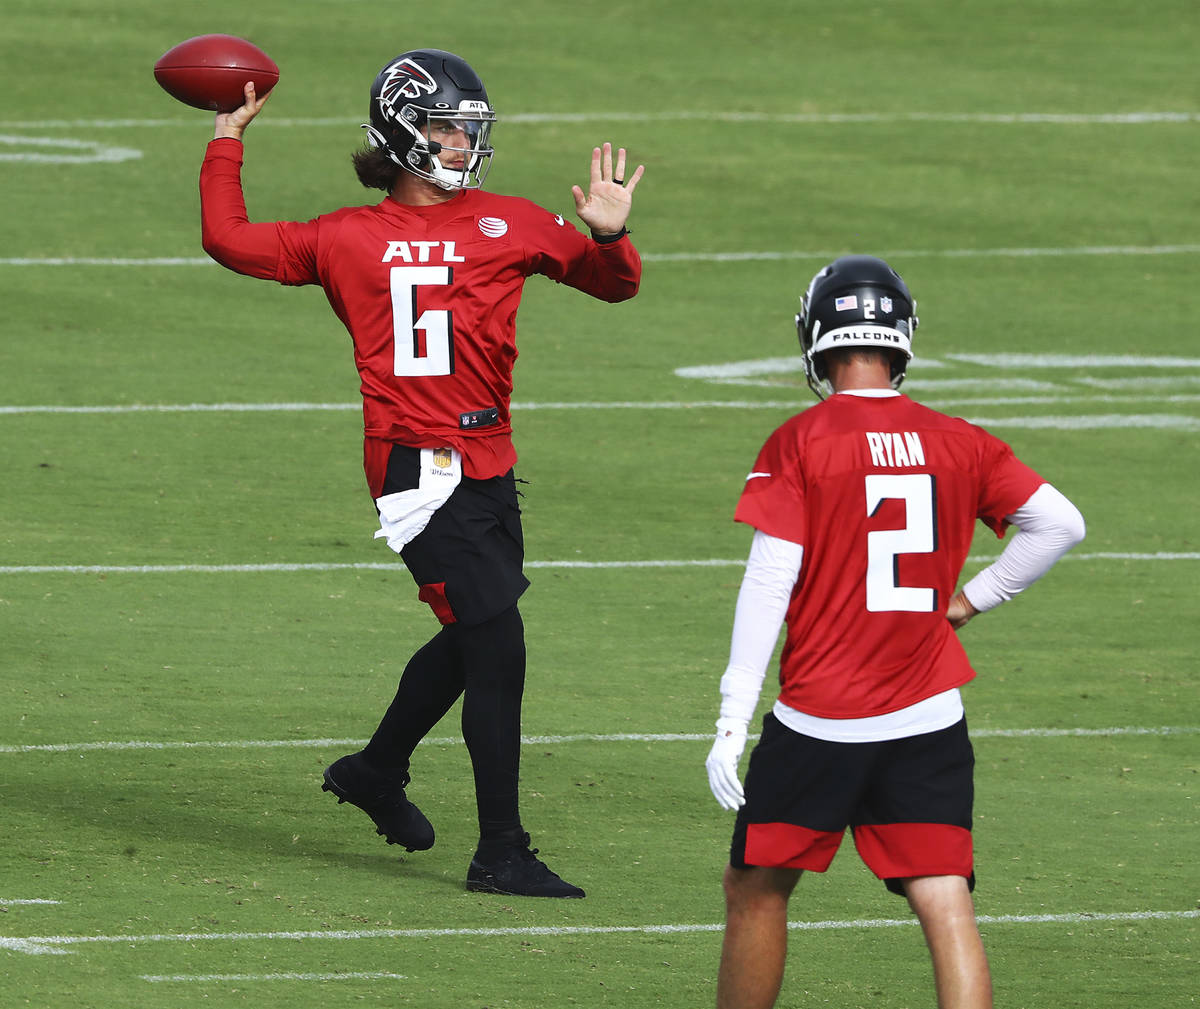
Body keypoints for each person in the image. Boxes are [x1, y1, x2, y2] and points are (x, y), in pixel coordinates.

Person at [199, 48, 644, 899]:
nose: (462, 142)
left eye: (467, 128)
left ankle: (375, 768)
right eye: (445, 126)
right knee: (498, 642)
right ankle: (499, 850)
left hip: (490, 457)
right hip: (416, 462)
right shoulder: (345, 234)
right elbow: (227, 240)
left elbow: (612, 285)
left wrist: (610, 232)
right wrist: (227, 139)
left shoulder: (509, 220)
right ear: (402, 133)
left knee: (479, 628)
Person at [704, 255, 1085, 1008]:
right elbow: (1061, 524)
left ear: (817, 336)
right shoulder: (960, 439)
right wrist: (973, 599)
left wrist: (730, 716)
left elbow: (768, 581)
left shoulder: (801, 440)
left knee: (756, 886)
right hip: (927, 709)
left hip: (821, 713)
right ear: (901, 336)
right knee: (944, 900)